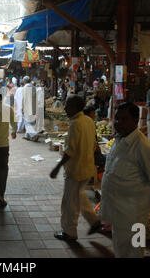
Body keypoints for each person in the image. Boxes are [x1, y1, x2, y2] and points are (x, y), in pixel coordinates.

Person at [101, 102, 150, 258]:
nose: (118, 123)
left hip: (134, 217)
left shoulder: (143, 147)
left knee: (135, 252)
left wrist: (142, 207)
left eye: (124, 119)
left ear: (135, 121)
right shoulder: (120, 140)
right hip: (118, 213)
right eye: (117, 119)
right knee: (121, 250)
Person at [50, 95, 102, 241]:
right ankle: (94, 221)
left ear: (75, 108)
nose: (65, 108)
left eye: (68, 106)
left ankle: (69, 232)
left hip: (75, 169)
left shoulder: (75, 124)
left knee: (69, 203)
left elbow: (70, 151)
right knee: (79, 195)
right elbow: (94, 145)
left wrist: (57, 167)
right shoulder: (89, 121)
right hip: (87, 167)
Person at [21, 76, 38, 141]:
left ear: (25, 81)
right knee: (30, 121)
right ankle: (27, 135)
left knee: (26, 121)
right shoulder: (33, 87)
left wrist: (22, 107)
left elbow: (23, 99)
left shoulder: (25, 88)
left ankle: (33, 134)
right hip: (33, 106)